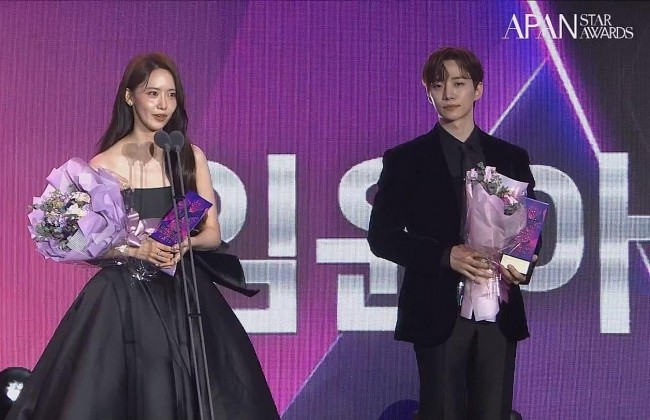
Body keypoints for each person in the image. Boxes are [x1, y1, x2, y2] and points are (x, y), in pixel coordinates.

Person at [8, 52, 279, 419]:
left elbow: (212, 234)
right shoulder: (102, 165)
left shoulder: (188, 156)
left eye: (171, 95)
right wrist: (133, 250)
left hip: (184, 289)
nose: (163, 105)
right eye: (153, 93)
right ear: (130, 96)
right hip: (123, 297)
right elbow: (76, 240)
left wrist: (185, 242)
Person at [367, 47, 539, 420]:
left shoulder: (510, 157)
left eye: (459, 83)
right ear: (428, 91)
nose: (448, 93)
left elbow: (529, 224)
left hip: (498, 308)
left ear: (478, 89)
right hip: (436, 308)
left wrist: (520, 262)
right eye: (438, 84)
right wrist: (446, 256)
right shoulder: (405, 159)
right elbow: (382, 236)